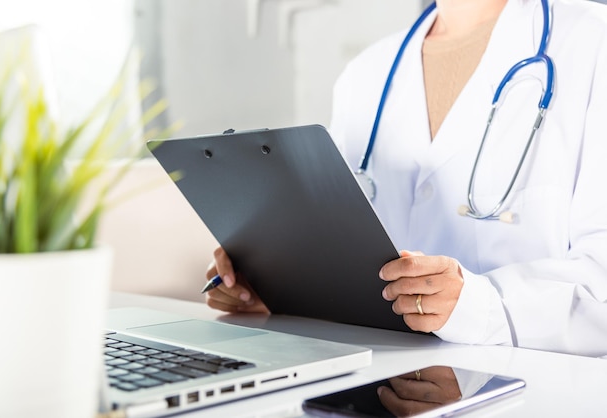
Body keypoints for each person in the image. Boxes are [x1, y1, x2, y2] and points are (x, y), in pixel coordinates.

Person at [204, 0, 607, 358]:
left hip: (535, 387)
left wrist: (479, 306)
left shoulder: (592, 41)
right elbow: (340, 247)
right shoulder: (366, 73)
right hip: (378, 378)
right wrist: (277, 285)